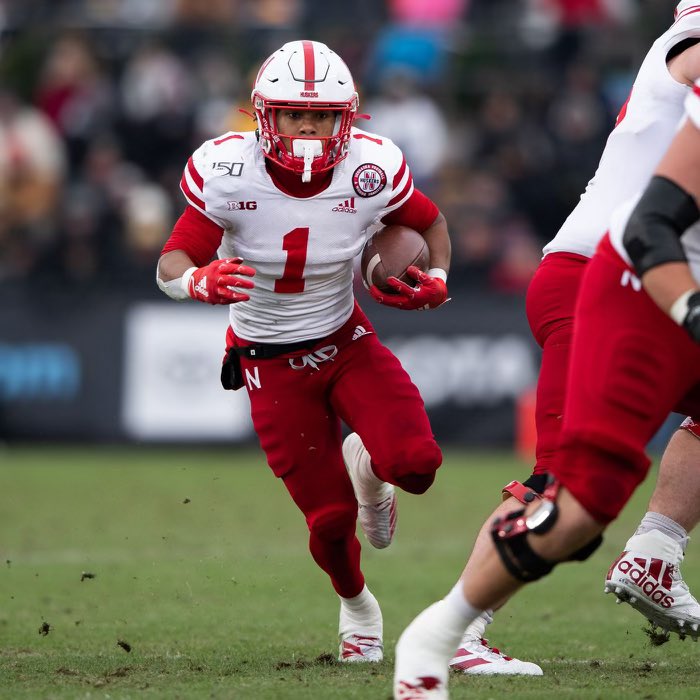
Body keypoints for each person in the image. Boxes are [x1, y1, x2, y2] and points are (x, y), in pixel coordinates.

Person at [393, 36, 700, 700]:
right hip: (603, 280)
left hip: (658, 283)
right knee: (565, 488)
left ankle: (657, 551)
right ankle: (456, 632)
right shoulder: (689, 43)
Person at [155, 40, 450, 663]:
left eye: (322, 115)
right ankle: (358, 607)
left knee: (417, 464)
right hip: (268, 360)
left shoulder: (371, 168)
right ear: (267, 116)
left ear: (348, 119)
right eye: (295, 114)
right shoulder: (227, 170)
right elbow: (171, 263)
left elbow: (430, 224)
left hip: (344, 340)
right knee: (329, 522)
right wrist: (196, 281)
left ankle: (369, 471)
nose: (309, 126)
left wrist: (439, 277)